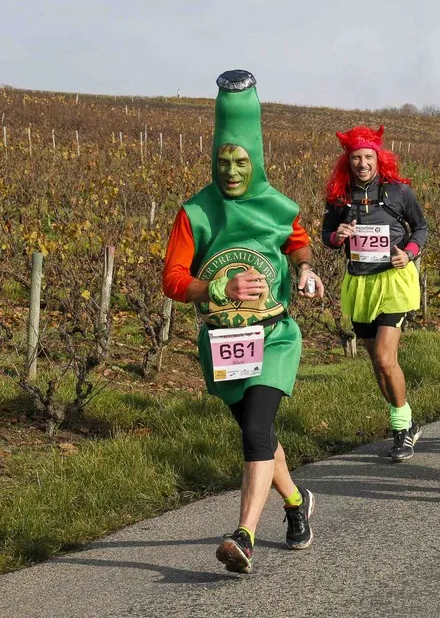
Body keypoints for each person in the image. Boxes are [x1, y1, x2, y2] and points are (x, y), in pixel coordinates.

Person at [162, 70, 323, 574]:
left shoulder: (276, 204)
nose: (231, 172)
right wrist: (215, 288)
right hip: (224, 341)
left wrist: (305, 269)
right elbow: (171, 278)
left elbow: (296, 240)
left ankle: (244, 536)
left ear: (255, 163)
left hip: (273, 336)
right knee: (260, 436)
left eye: (240, 163)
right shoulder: (196, 212)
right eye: (222, 163)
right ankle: (296, 503)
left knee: (256, 429)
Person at [321, 125, 429, 460]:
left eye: (368, 157)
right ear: (348, 161)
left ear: (378, 159)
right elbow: (327, 236)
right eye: (356, 157)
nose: (362, 163)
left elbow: (422, 228)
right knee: (376, 362)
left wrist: (408, 252)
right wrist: (338, 235)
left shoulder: (398, 192)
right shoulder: (340, 195)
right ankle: (406, 420)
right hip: (360, 283)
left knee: (385, 357)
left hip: (393, 281)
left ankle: (400, 430)